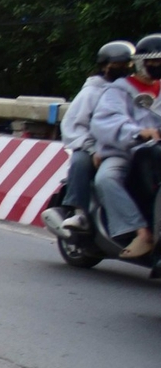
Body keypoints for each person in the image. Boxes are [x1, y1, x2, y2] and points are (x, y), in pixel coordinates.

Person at [89, 36, 161, 258]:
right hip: (124, 151)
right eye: (153, 62)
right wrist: (138, 132)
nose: (157, 66)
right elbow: (106, 121)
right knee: (105, 179)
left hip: (156, 152)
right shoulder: (119, 90)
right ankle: (141, 232)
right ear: (140, 62)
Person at [57, 41, 125, 226]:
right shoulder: (92, 92)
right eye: (117, 64)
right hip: (93, 147)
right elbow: (75, 125)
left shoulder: (134, 92)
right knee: (80, 161)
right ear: (104, 66)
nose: (123, 69)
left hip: (125, 147)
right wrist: (92, 149)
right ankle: (79, 212)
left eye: (126, 65)